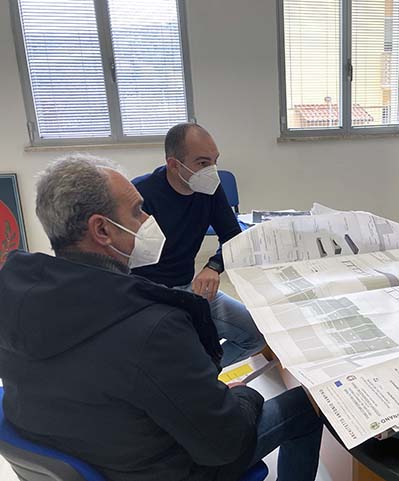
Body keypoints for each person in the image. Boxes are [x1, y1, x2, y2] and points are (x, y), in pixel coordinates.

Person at [0, 154, 322, 481]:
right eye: (138, 211)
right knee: (307, 407)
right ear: (102, 229)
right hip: (158, 469)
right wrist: (243, 396)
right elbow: (226, 443)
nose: (148, 220)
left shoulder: (15, 298)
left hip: (86, 447)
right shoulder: (154, 327)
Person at [132, 123, 265, 367]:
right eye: (203, 163)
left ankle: (201, 374)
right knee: (171, 352)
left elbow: (233, 237)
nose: (212, 171)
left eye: (215, 161)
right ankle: (188, 375)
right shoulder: (140, 194)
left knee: (256, 336)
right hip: (148, 296)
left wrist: (213, 266)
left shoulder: (209, 188)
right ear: (174, 165)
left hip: (190, 289)